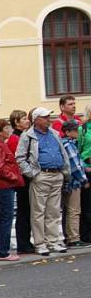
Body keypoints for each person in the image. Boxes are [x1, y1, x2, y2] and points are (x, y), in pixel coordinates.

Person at [16, 107, 70, 255]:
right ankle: (40, 243)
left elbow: (62, 152)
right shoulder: (28, 136)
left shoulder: (54, 133)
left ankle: (52, 241)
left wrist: (65, 171)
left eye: (48, 117)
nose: (49, 120)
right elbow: (20, 158)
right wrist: (32, 174)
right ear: (36, 119)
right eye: (45, 117)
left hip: (56, 173)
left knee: (53, 211)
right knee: (38, 211)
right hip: (41, 175)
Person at [0, 119, 23, 261]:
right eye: (6, 128)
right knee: (6, 218)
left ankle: (4, 250)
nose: (8, 130)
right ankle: (3, 252)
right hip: (5, 185)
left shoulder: (0, 144)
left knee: (6, 217)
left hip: (5, 184)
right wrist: (14, 177)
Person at [7, 109, 35, 253]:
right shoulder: (15, 139)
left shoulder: (24, 135)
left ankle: (26, 241)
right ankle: (23, 243)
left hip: (26, 178)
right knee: (24, 211)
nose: (27, 121)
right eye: (24, 119)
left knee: (28, 211)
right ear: (16, 122)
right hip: (22, 180)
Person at [60, 119, 89, 247]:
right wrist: (84, 179)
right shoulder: (69, 145)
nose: (78, 131)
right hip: (74, 182)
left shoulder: (68, 143)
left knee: (69, 210)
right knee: (74, 210)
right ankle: (74, 238)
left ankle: (69, 236)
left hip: (68, 182)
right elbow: (75, 165)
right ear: (68, 132)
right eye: (75, 129)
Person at [78, 105, 91, 243]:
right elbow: (78, 150)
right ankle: (86, 234)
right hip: (87, 168)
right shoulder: (83, 129)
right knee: (87, 203)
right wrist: (84, 166)